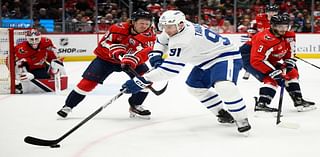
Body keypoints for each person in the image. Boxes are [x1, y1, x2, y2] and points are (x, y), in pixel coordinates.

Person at [122, 10, 251, 134]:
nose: (167, 30)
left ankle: (241, 119)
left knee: (224, 86)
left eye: (170, 27)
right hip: (205, 60)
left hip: (225, 56)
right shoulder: (176, 27)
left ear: (181, 24)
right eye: (164, 26)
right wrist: (156, 56)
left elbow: (170, 71)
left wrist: (141, 81)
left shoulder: (183, 40)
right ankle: (221, 112)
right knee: (195, 87)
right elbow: (161, 41)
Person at [57, 10, 156, 119]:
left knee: (146, 81)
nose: (144, 26)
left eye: (147, 23)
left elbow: (145, 52)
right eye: (142, 23)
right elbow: (104, 43)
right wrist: (117, 52)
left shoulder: (150, 35)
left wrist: (132, 59)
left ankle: (135, 105)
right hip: (106, 59)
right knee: (87, 84)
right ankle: (68, 106)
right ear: (133, 22)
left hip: (131, 61)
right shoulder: (118, 28)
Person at [241, 14, 316, 112]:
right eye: (280, 26)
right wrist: (273, 71)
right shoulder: (263, 38)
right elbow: (257, 60)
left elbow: (290, 51)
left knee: (291, 73)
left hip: (267, 58)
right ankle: (262, 104)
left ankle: (298, 100)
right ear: (272, 26)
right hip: (249, 57)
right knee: (272, 78)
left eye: (286, 26)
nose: (283, 29)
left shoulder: (289, 35)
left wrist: (289, 61)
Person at [14, 29, 67, 93]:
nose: (34, 42)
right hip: (30, 68)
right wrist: (20, 76)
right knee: (44, 77)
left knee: (55, 66)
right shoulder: (21, 48)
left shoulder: (46, 42)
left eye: (36, 39)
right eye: (31, 39)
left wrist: (55, 63)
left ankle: (49, 71)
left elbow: (51, 55)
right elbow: (17, 64)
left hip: (41, 65)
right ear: (27, 39)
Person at [242, 4, 279, 79]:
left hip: (267, 44)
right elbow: (254, 26)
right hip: (256, 41)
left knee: (260, 59)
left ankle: (268, 73)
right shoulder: (259, 17)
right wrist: (251, 32)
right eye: (270, 11)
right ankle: (248, 70)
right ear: (266, 12)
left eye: (274, 12)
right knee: (245, 55)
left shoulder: (278, 22)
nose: (271, 13)